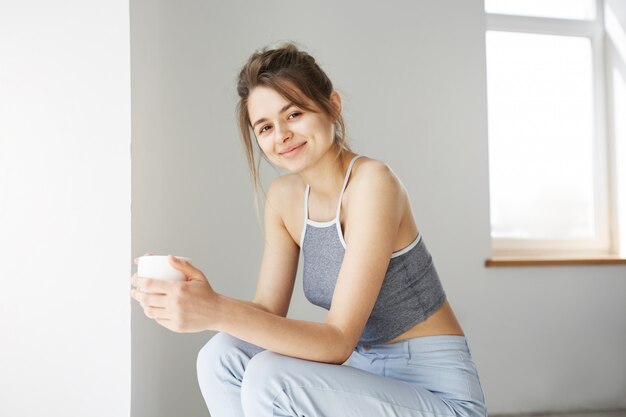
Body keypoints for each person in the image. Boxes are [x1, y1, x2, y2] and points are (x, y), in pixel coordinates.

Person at [130, 41, 487, 417]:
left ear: (333, 105)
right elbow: (268, 312)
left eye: (294, 114)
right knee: (221, 354)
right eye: (265, 127)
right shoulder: (284, 199)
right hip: (362, 382)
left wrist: (216, 309)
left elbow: (337, 342)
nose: (281, 135)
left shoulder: (372, 183)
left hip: (437, 395)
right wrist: (191, 298)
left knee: (271, 377)